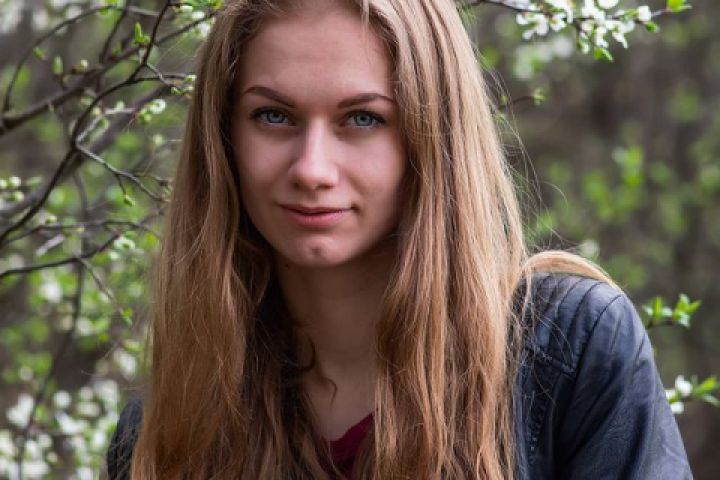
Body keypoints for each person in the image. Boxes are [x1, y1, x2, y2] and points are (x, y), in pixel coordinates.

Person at [106, 0, 693, 478]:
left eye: (363, 119)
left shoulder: (569, 349)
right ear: (223, 138)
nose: (312, 169)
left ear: (431, 137)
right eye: (274, 116)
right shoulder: (165, 429)